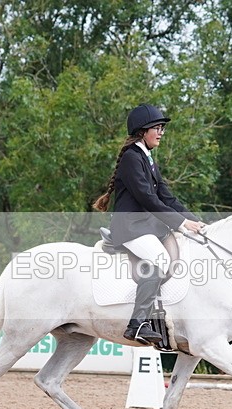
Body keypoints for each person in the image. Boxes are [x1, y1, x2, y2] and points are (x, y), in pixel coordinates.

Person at [93, 104, 206, 344]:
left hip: (144, 226)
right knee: (161, 260)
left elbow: (166, 196)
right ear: (142, 131)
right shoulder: (132, 158)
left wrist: (194, 219)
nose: (161, 132)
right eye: (157, 127)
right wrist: (181, 223)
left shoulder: (147, 158)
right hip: (130, 228)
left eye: (162, 127)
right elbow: (148, 199)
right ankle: (137, 324)